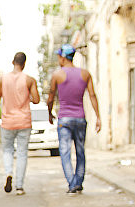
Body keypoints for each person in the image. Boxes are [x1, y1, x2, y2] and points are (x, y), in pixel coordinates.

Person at [47, 44, 101, 195]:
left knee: (64, 152)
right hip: (80, 118)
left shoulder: (57, 75)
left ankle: (72, 182)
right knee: (80, 152)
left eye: (59, 56)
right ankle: (78, 181)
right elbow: (92, 95)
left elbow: (51, 97)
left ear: (63, 58)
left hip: (64, 119)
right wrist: (98, 117)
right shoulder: (85, 74)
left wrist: (49, 113)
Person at [0, 52, 40, 195]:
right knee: (22, 153)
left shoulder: (2, 79)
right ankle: (19, 186)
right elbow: (36, 100)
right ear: (24, 64)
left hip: (7, 122)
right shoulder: (29, 80)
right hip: (24, 121)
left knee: (7, 150)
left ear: (13, 62)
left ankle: (8, 173)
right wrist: (28, 96)